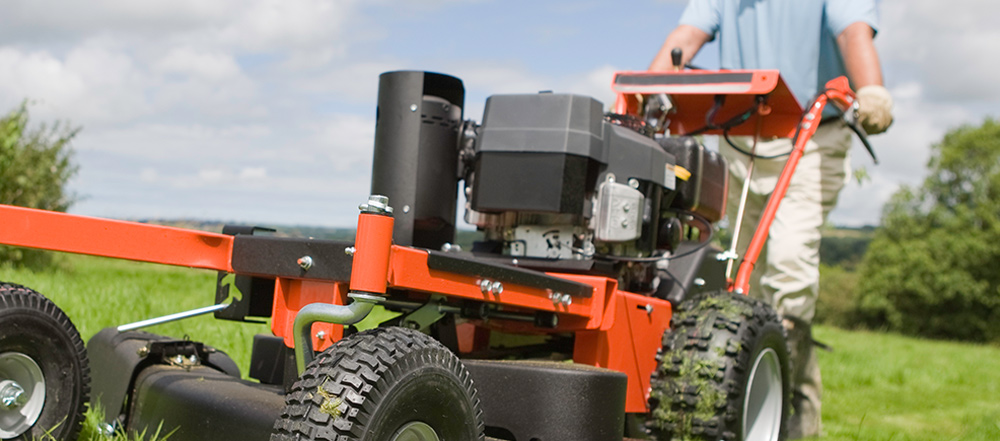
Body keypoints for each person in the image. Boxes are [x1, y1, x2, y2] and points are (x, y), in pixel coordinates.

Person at [649, 1, 893, 438]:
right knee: (749, 281)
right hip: (742, 137)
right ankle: (763, 409)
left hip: (813, 136)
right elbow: (685, 39)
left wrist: (871, 89)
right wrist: (650, 93)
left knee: (789, 267)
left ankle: (787, 420)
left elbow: (852, 32)